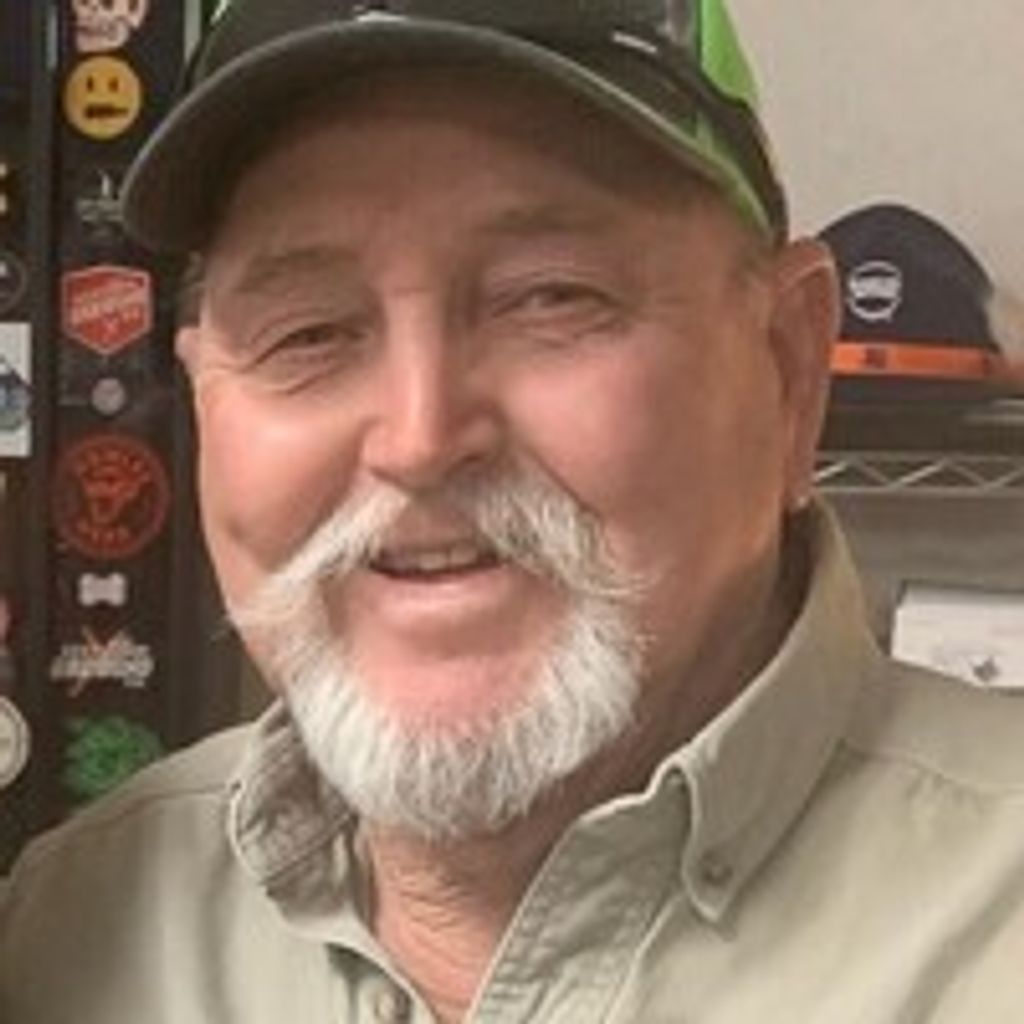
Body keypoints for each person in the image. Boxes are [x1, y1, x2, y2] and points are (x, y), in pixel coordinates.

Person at [4, 1, 1024, 1021]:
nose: (419, 437)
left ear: (788, 370)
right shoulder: (68, 928)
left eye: (551, 298)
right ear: (202, 402)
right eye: (306, 333)